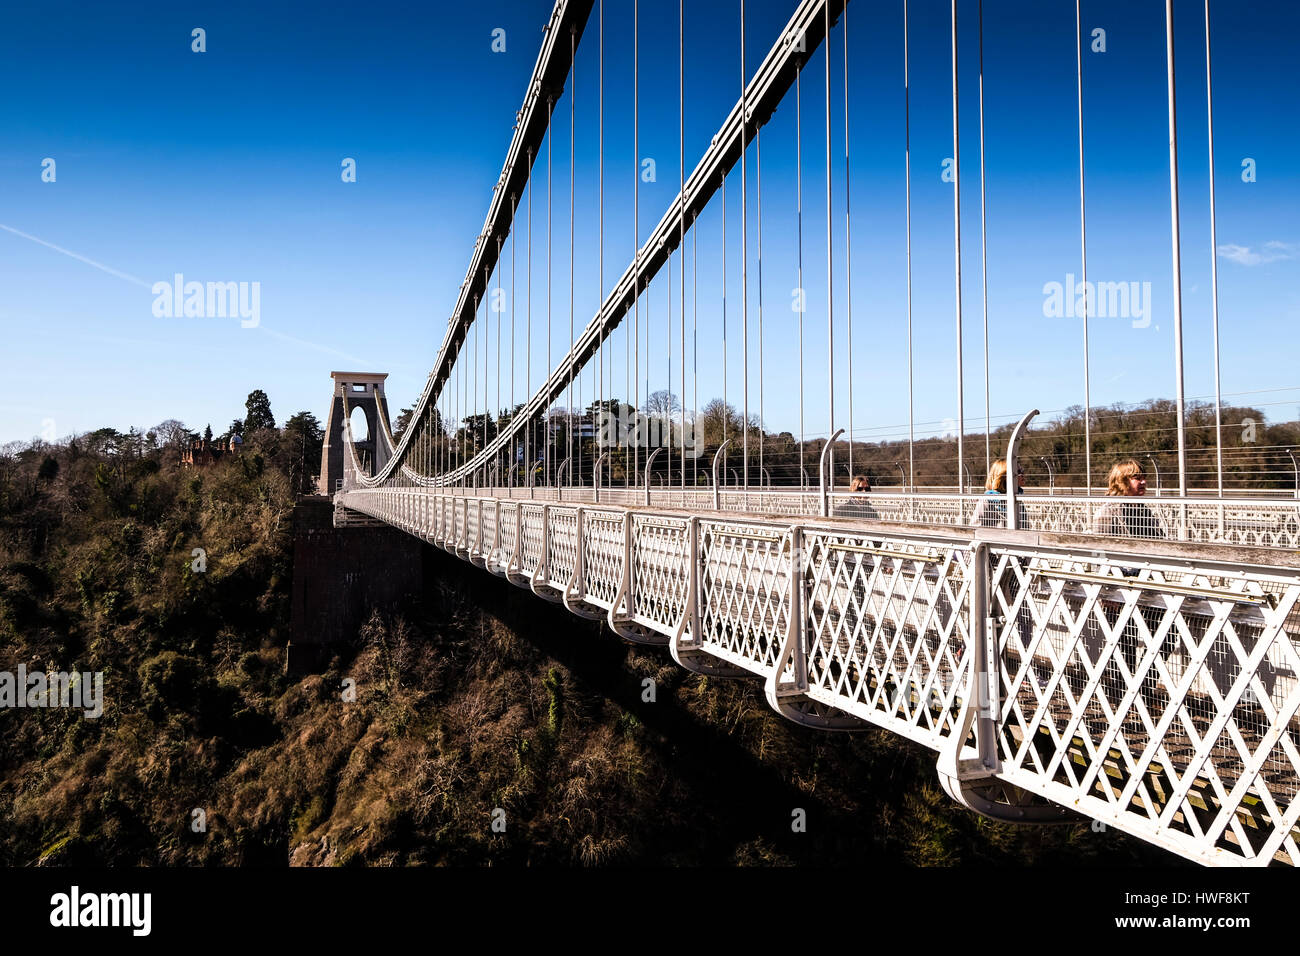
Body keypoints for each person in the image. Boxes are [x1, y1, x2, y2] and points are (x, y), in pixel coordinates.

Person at [1092, 460, 1166, 540]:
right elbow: (1100, 544)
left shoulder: (1143, 510)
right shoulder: (1108, 512)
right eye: (1137, 478)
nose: (1144, 482)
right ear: (1122, 481)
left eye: (1144, 478)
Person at [970, 459, 1027, 529]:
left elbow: (1025, 527)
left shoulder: (1017, 499)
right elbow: (975, 529)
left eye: (1022, 470)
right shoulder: (987, 501)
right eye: (1018, 472)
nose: (1023, 474)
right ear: (1004, 476)